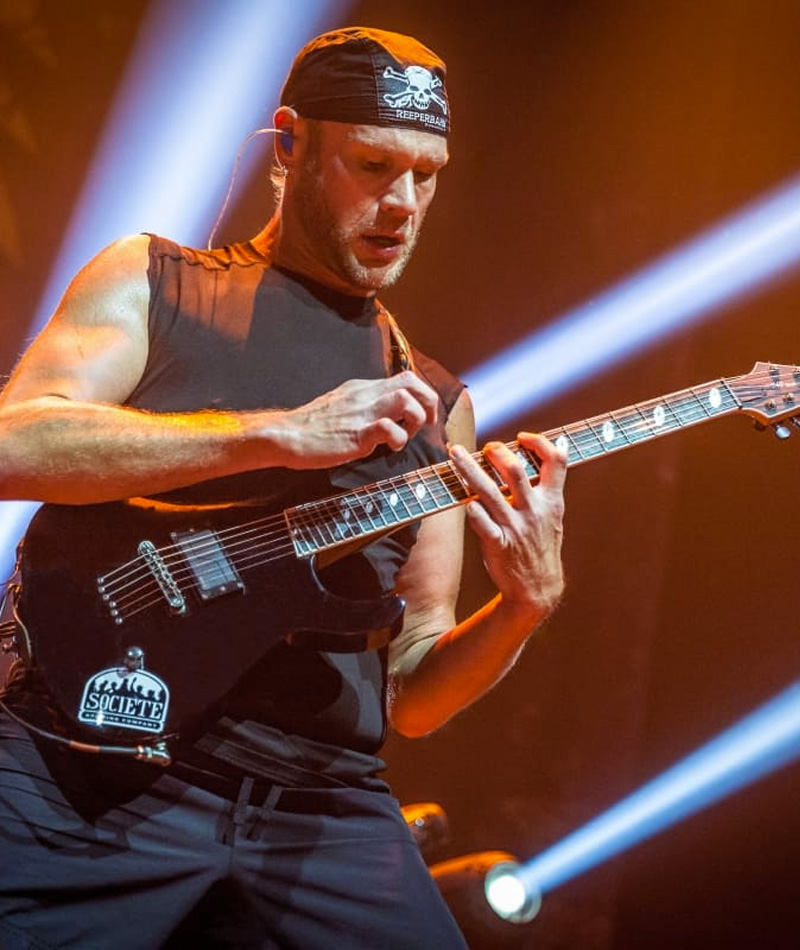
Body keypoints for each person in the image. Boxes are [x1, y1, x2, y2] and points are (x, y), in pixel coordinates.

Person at [0, 26, 566, 950]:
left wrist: (523, 607)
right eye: (373, 165)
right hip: (90, 765)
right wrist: (276, 435)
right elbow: (13, 445)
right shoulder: (155, 283)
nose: (403, 203)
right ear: (292, 143)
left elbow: (413, 691)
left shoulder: (436, 403)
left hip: (322, 808)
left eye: (426, 175)